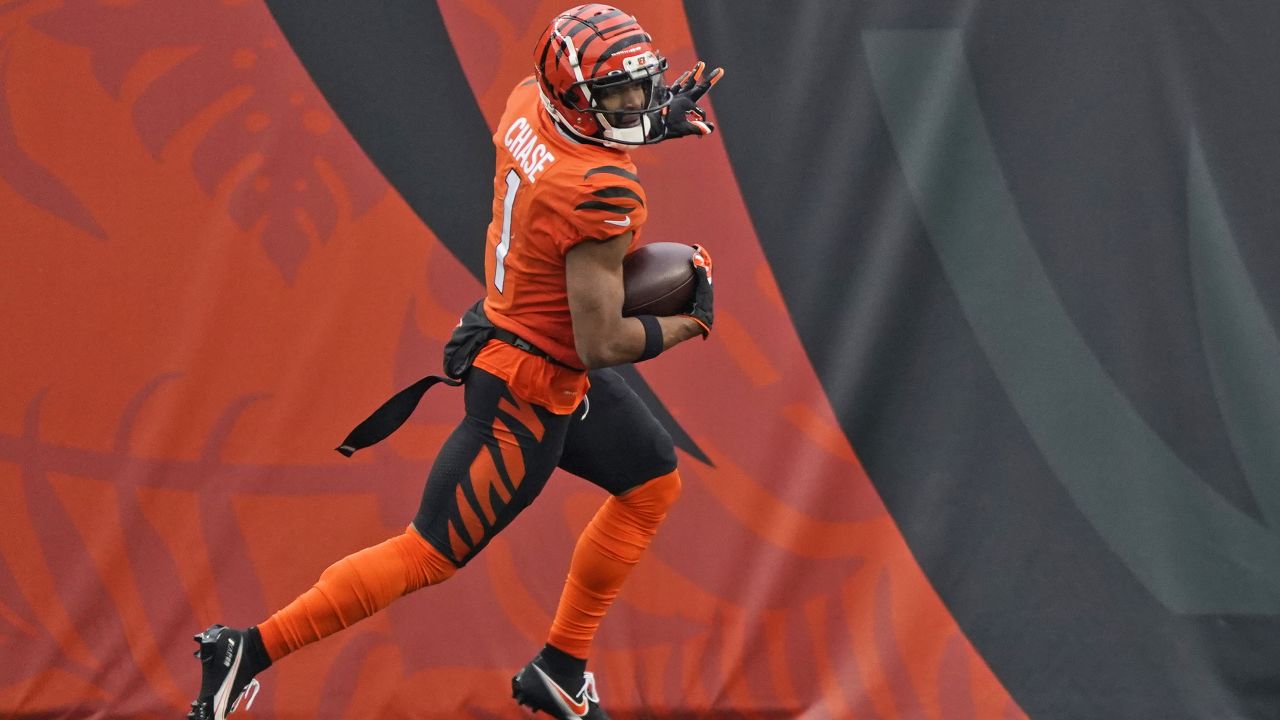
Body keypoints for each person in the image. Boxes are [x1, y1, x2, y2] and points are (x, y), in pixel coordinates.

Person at [184, 4, 723, 719]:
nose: (635, 104)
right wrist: (689, 323)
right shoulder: (603, 194)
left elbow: (579, 133)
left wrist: (652, 120)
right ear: (575, 97)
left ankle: (561, 667)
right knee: (427, 554)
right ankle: (246, 650)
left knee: (651, 481)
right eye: (617, 95)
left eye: (637, 88)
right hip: (526, 386)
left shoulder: (528, 102)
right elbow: (603, 343)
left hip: (530, 344)